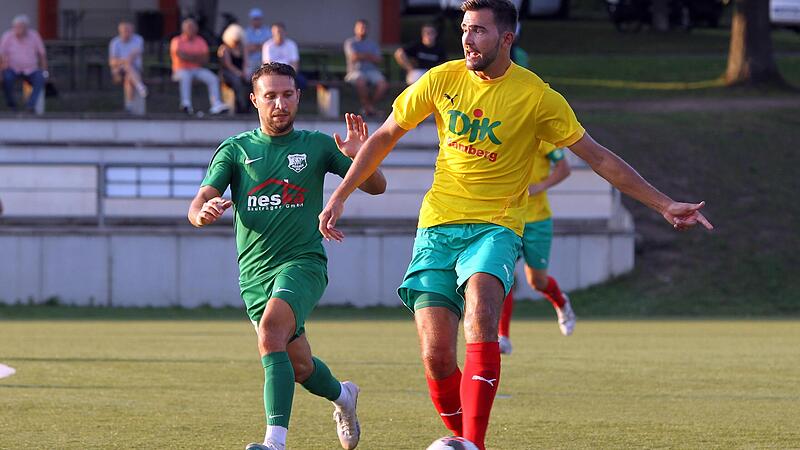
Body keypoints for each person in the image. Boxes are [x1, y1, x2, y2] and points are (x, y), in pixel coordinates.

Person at [318, 1, 712, 448]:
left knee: (482, 317)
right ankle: (464, 440)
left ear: (507, 38)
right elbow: (385, 136)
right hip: (437, 227)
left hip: (497, 226)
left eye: (479, 31)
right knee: (436, 356)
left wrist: (663, 204)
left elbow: (599, 158)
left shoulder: (537, 96)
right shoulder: (441, 79)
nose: (468, 39)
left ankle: (473, 443)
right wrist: (340, 194)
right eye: (464, 29)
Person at [188, 62, 386, 450]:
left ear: (298, 96)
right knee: (300, 367)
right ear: (254, 100)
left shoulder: (317, 145)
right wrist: (202, 213)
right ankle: (344, 396)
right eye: (270, 96)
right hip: (254, 275)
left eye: (287, 94)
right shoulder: (236, 150)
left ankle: (274, 443)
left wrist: (363, 156)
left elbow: (377, 187)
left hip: (303, 264)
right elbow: (199, 202)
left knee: (270, 333)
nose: (279, 103)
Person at [498, 141, 575, 356]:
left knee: (537, 282)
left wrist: (539, 186)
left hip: (537, 220)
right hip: (508, 218)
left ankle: (561, 302)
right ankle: (503, 337)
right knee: (502, 275)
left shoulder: (543, 138)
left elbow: (564, 169)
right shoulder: (505, 132)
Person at [169, 18, 229, 115]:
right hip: (180, 70)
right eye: (189, 27)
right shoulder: (177, 41)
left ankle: (216, 104)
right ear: (184, 29)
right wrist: (196, 57)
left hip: (197, 69)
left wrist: (189, 57)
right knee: (185, 77)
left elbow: (205, 58)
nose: (192, 29)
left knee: (213, 78)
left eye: (193, 27)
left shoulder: (200, 41)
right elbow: (180, 55)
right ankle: (186, 104)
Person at [0, 14, 47, 112]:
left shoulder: (34, 35)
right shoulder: (7, 36)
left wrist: (45, 71)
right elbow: (1, 55)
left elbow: (42, 55)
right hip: (12, 69)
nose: (18, 29)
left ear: (26, 28)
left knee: (40, 77)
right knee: (7, 78)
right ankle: (12, 106)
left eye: (21, 27)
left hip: (31, 70)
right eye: (16, 27)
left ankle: (30, 106)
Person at [344, 19, 388, 116]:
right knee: (361, 81)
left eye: (364, 28)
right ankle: (369, 109)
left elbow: (379, 59)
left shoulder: (373, 44)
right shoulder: (350, 42)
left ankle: (368, 107)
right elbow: (353, 57)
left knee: (383, 85)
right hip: (355, 71)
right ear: (355, 29)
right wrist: (369, 56)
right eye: (360, 27)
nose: (362, 30)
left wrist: (362, 55)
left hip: (372, 71)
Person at [108, 21, 147, 109]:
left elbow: (134, 55)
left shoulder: (138, 39)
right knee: (127, 65)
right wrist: (123, 61)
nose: (126, 33)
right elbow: (111, 62)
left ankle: (129, 106)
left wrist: (125, 61)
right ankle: (140, 87)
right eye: (124, 31)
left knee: (128, 79)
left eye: (128, 31)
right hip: (118, 71)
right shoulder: (115, 42)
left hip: (135, 69)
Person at [262, 22, 306, 90]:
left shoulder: (291, 45)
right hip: (273, 74)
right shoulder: (267, 45)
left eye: (280, 31)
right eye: (276, 32)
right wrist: (277, 76)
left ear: (284, 32)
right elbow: (267, 65)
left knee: (302, 82)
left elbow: (295, 64)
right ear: (272, 33)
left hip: (289, 73)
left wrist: (289, 75)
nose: (278, 34)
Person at [218, 23, 249, 113]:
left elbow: (245, 62)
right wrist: (239, 73)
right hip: (228, 73)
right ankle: (240, 105)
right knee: (237, 81)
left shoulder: (243, 48)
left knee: (250, 81)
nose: (236, 43)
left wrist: (244, 72)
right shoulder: (224, 49)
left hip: (241, 72)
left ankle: (248, 105)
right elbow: (228, 65)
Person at [245, 8, 271, 75]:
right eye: (254, 19)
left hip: (264, 59)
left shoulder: (267, 31)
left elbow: (267, 46)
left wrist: (255, 46)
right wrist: (260, 45)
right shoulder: (247, 32)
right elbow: (247, 48)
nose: (256, 21)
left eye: (258, 19)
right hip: (251, 60)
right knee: (247, 75)